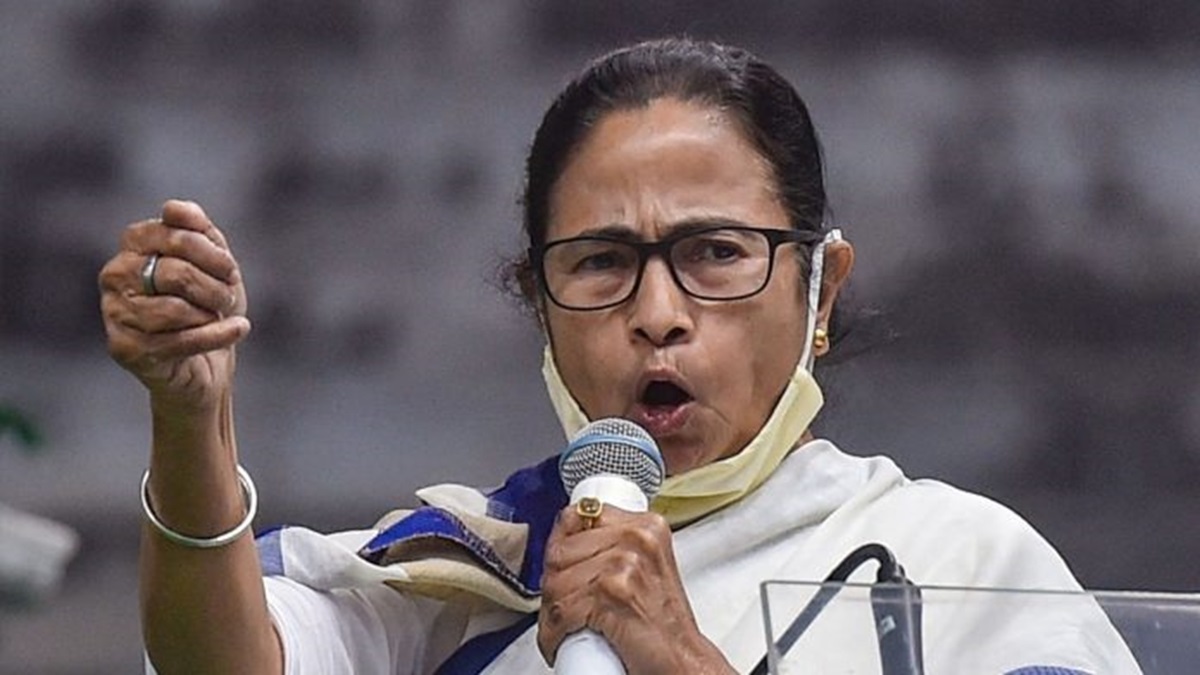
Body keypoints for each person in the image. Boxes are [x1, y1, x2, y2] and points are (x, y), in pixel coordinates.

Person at [99, 38, 1140, 674]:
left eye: (715, 253)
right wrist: (192, 418)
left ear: (821, 290)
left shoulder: (961, 567)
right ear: (539, 305)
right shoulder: (460, 576)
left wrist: (678, 659)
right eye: (600, 264)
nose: (658, 314)